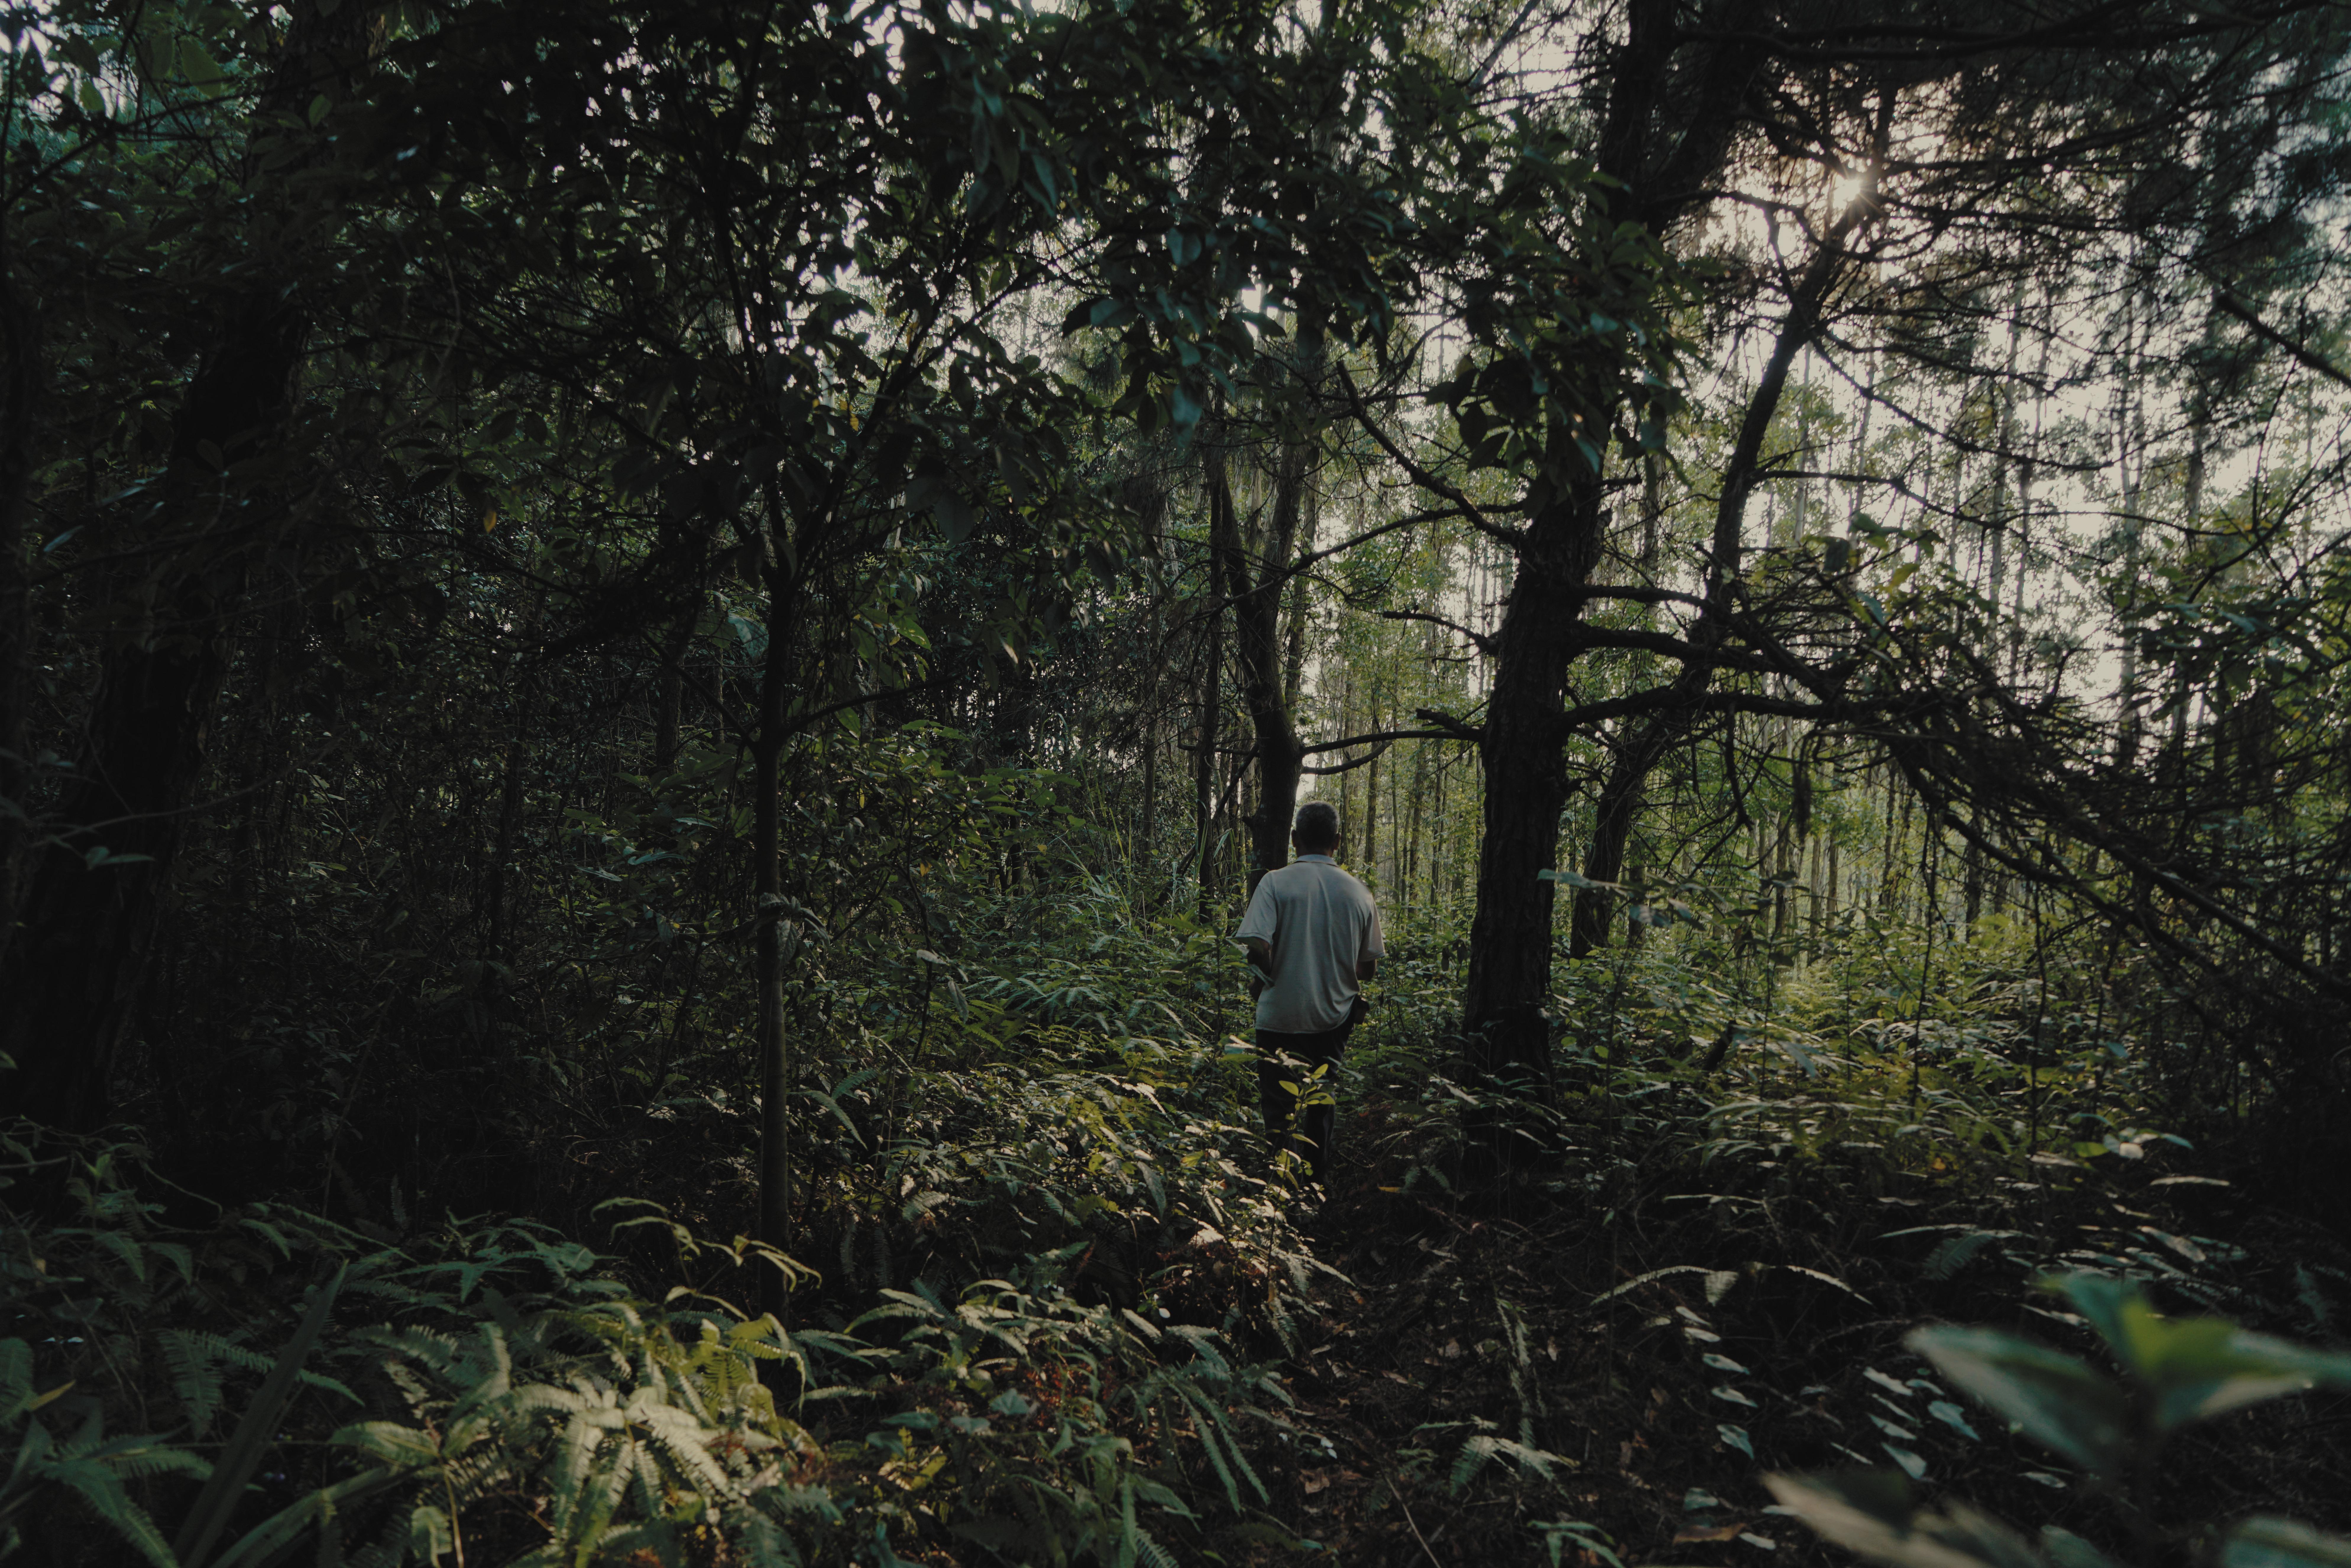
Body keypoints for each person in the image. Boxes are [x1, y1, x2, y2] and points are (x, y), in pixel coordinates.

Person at [1233, 801, 1383, 1193]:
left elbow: (1257, 947)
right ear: (1337, 841)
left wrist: (1272, 959)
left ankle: (1280, 1192)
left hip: (1279, 1015)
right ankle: (1316, 1189)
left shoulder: (1274, 883)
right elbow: (1368, 970)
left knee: (1279, 1110)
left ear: (1295, 840)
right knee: (1321, 1102)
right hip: (1333, 1017)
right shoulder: (1359, 893)